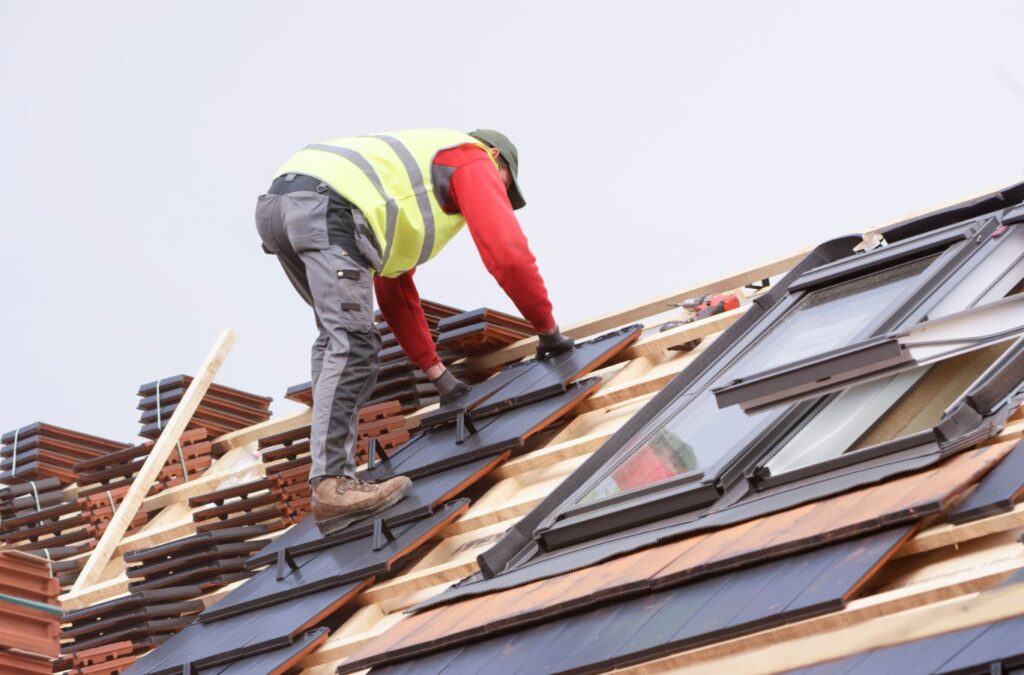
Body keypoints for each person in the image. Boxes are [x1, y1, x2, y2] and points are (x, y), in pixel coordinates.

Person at [255, 128, 574, 535]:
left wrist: (439, 376)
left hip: (284, 207)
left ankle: (330, 481)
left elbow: (396, 292)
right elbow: (507, 254)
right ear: (497, 157)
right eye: (505, 186)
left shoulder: (401, 201)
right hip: (326, 205)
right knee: (351, 343)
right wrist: (547, 330)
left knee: (337, 338)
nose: (500, 196)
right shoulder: (471, 158)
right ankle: (333, 486)